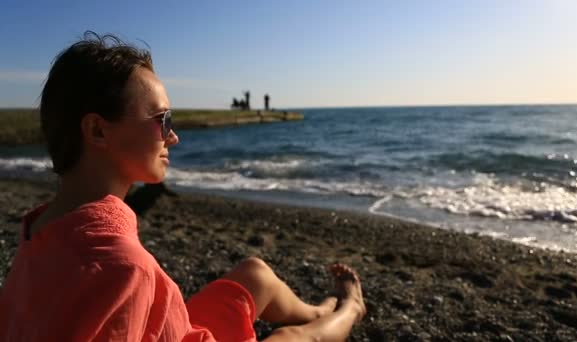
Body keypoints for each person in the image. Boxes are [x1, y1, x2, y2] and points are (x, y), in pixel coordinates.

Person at [0, 32, 365, 341]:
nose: (172, 137)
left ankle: (318, 308)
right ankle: (347, 309)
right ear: (97, 130)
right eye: (162, 120)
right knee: (295, 337)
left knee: (255, 273)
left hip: (175, 329)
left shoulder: (41, 226)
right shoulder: (124, 266)